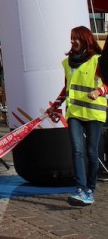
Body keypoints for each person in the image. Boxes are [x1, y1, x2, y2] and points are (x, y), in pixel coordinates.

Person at [47, 26, 108, 207]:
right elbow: (67, 88)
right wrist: (55, 106)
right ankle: (81, 189)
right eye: (71, 38)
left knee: (91, 151)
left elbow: (107, 84)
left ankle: (90, 189)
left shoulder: (98, 61)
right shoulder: (67, 63)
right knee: (77, 151)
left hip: (94, 112)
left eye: (76, 38)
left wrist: (99, 91)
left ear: (85, 40)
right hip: (74, 113)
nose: (72, 41)